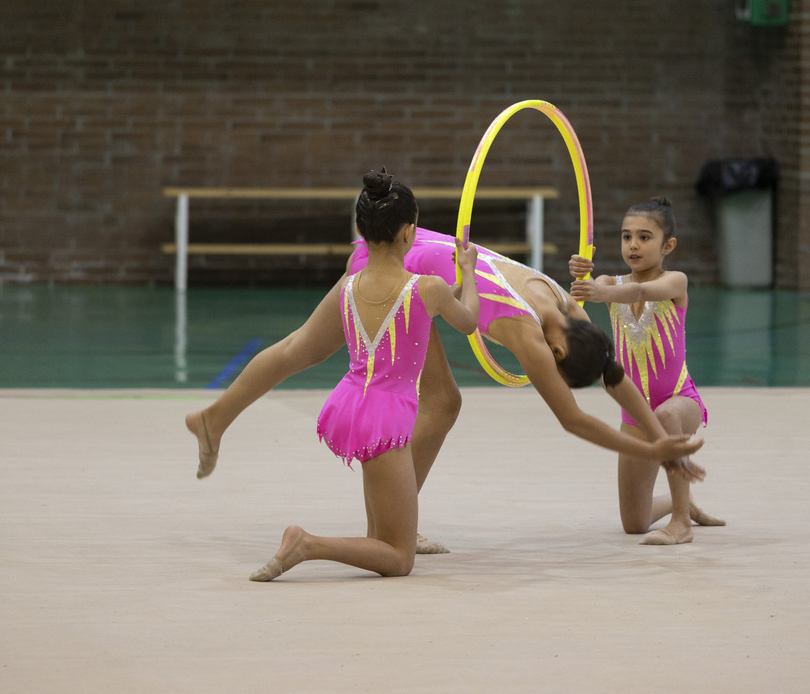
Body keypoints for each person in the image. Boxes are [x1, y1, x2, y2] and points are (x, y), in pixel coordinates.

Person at [186, 184, 705, 553]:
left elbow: (613, 375)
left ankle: (398, 520)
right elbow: (573, 419)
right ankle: (214, 418)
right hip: (401, 267)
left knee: (445, 401)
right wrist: (653, 448)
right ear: (557, 355)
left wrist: (662, 442)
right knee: (306, 348)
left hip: (433, 257)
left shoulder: (568, 310)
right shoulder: (529, 339)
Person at [247, 168, 481, 581]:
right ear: (410, 232)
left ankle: (315, 543)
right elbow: (468, 322)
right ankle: (306, 543)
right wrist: (469, 272)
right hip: (385, 415)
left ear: (360, 228)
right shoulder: (427, 288)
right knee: (398, 558)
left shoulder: (349, 286)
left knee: (380, 538)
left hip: (352, 402)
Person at [569, 196, 725, 545]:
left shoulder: (676, 282)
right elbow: (579, 302)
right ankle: (681, 502)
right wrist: (581, 278)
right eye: (626, 237)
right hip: (635, 415)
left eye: (644, 237)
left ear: (668, 245)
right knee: (635, 523)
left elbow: (638, 289)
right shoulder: (610, 283)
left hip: (680, 400)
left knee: (668, 414)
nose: (633, 245)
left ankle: (681, 523)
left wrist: (599, 290)